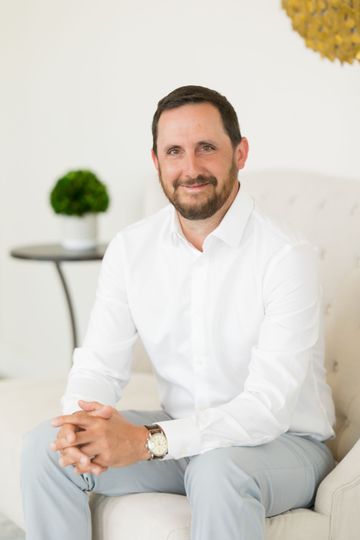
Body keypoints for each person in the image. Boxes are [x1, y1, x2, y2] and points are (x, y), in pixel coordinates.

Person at [21, 85, 336, 540]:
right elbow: (98, 364)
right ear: (156, 163)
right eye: (175, 151)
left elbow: (266, 410)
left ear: (240, 153)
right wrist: (80, 425)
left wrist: (148, 441)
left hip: (281, 444)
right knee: (45, 451)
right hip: (180, 437)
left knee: (218, 470)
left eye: (206, 148)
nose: (191, 168)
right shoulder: (131, 249)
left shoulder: (286, 255)